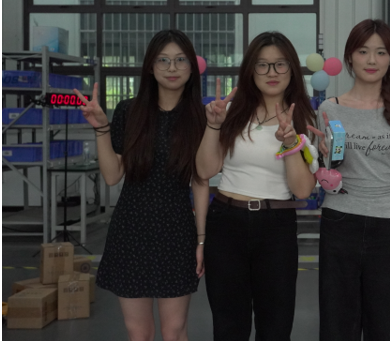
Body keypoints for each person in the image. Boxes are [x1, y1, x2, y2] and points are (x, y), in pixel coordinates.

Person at [308, 19, 390, 341]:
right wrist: (324, 158)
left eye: (381, 52)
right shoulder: (330, 109)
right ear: (350, 57)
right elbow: (327, 176)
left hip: (386, 223)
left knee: (387, 324)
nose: (371, 60)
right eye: (363, 51)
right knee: (338, 323)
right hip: (339, 221)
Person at [74, 29, 206, 341]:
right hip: (131, 230)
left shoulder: (199, 117)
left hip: (177, 231)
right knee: (139, 332)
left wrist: (201, 241)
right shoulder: (128, 111)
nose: (172, 68)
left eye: (180, 60)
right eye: (163, 60)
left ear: (192, 67)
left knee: (174, 331)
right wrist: (101, 128)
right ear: (150, 66)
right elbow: (112, 176)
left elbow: (201, 182)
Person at [195, 32, 317, 341]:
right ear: (250, 70)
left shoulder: (305, 119)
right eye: (262, 65)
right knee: (228, 326)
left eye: (280, 64)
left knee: (275, 327)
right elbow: (205, 170)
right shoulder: (231, 113)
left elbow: (303, 190)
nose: (271, 72)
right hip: (226, 222)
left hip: (276, 227)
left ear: (292, 69)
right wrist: (213, 124)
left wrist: (290, 143)